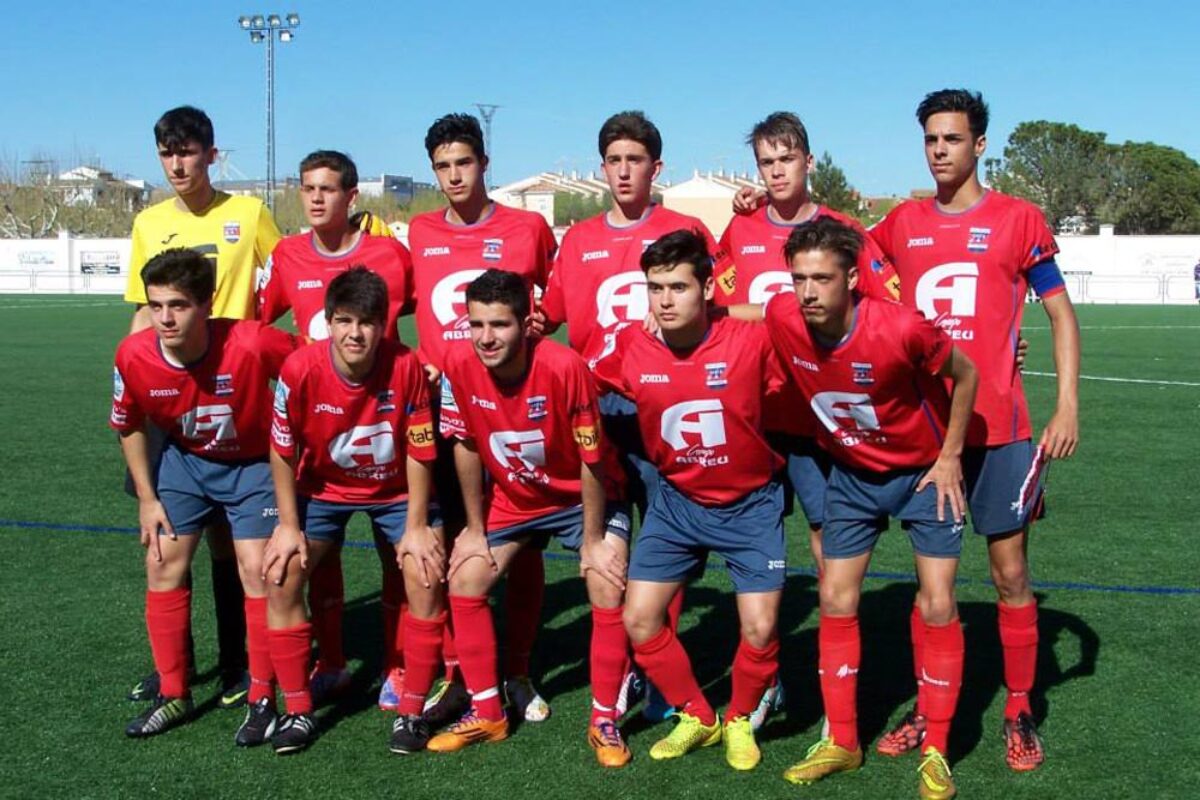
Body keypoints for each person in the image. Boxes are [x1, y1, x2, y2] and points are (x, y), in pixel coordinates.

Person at [869, 89, 1080, 772]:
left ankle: (1019, 706)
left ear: (979, 145)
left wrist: (1067, 402)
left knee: (1010, 573)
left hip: (1005, 431)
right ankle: (930, 708)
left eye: (952, 139)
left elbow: (1060, 315)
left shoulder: (1019, 220)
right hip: (927, 435)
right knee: (934, 586)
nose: (939, 151)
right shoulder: (899, 224)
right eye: (931, 139)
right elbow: (846, 262)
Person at [759, 218, 977, 800]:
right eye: (798, 278)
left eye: (822, 279)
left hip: (924, 477)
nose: (807, 292)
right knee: (834, 595)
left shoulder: (901, 328)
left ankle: (936, 748)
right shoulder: (784, 316)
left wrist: (952, 456)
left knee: (936, 603)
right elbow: (747, 320)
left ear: (853, 278)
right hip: (852, 477)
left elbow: (966, 373)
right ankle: (844, 742)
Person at [539, 110, 722, 724]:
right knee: (616, 547)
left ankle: (657, 670)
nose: (623, 170)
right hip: (599, 411)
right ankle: (622, 676)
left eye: (635, 159)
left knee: (667, 542)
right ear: (602, 168)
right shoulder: (580, 239)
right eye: (614, 160)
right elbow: (550, 317)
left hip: (668, 405)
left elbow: (721, 297)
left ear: (656, 167)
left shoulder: (686, 227)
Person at [593, 230, 788, 772]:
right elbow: (573, 376)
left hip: (751, 505)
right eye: (655, 288)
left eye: (678, 287)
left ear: (706, 288)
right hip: (676, 504)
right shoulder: (631, 346)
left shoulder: (750, 340)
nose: (665, 300)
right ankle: (698, 715)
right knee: (640, 619)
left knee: (761, 628)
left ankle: (741, 718)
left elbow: (797, 311)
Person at [429, 270, 634, 767]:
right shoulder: (459, 361)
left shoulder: (565, 367)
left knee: (604, 582)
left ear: (527, 323)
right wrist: (475, 530)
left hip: (586, 499)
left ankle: (604, 718)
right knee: (466, 577)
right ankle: (487, 713)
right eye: (476, 324)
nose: (485, 337)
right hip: (514, 499)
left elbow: (591, 460)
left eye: (499, 324)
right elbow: (466, 444)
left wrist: (590, 540)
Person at [121, 106, 282, 709]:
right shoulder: (149, 221)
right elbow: (142, 310)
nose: (177, 164)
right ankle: (178, 671)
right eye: (167, 153)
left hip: (233, 387)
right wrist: (131, 373)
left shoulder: (248, 214)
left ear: (212, 155)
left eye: (188, 152)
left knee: (231, 543)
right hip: (173, 395)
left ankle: (243, 661)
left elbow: (287, 274)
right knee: (167, 535)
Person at [407, 113, 559, 726]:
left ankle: (517, 671)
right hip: (445, 411)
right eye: (442, 166)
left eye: (463, 163)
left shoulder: (527, 228)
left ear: (484, 163)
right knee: (449, 543)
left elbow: (552, 304)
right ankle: (459, 674)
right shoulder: (417, 230)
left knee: (521, 546)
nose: (453, 176)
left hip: (512, 409)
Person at [110, 248, 296, 739]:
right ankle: (174, 693)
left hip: (254, 466)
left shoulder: (252, 341)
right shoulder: (132, 355)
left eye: (179, 305)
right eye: (155, 305)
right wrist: (148, 499)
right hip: (184, 463)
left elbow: (310, 368)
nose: (165, 318)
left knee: (258, 570)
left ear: (206, 304)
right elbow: (128, 426)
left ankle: (261, 696)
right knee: (161, 560)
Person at [257, 149, 417, 710]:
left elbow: (429, 316)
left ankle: (399, 665)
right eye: (307, 188)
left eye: (328, 188)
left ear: (353, 197)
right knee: (315, 561)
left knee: (397, 556)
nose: (316, 198)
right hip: (319, 430)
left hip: (383, 424)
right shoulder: (287, 254)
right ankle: (330, 661)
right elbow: (259, 323)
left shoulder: (391, 256)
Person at [259, 266, 440, 754]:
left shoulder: (405, 366)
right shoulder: (300, 370)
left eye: (366, 322)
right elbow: (281, 449)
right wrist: (289, 527)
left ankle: (411, 709)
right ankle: (297, 711)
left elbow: (420, 450)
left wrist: (419, 526)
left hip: (396, 493)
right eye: (343, 321)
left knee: (424, 572)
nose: (354, 333)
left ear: (384, 325)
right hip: (321, 491)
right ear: (328, 322)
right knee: (281, 574)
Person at [719, 110, 900, 576]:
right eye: (766, 162)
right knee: (755, 530)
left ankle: (834, 629)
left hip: (818, 412)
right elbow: (717, 309)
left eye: (787, 158)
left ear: (810, 162)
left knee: (826, 531)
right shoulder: (740, 228)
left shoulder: (844, 231)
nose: (777, 171)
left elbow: (889, 309)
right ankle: (764, 634)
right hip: (754, 409)